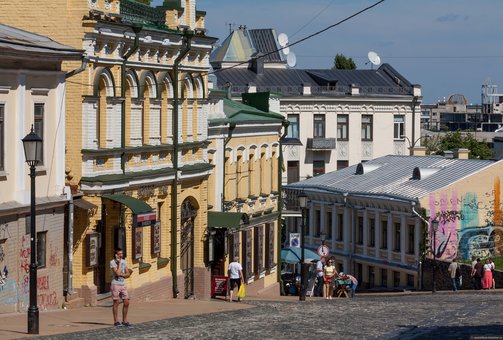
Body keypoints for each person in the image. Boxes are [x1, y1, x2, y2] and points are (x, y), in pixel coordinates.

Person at [110, 248, 131, 327]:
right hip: (115, 284)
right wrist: (118, 264)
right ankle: (116, 321)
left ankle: (124, 320)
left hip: (123, 284)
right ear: (116, 255)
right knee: (116, 302)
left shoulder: (124, 262)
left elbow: (128, 273)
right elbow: (117, 273)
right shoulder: (112, 263)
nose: (121, 255)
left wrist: (122, 274)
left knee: (126, 302)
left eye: (122, 254)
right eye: (119, 254)